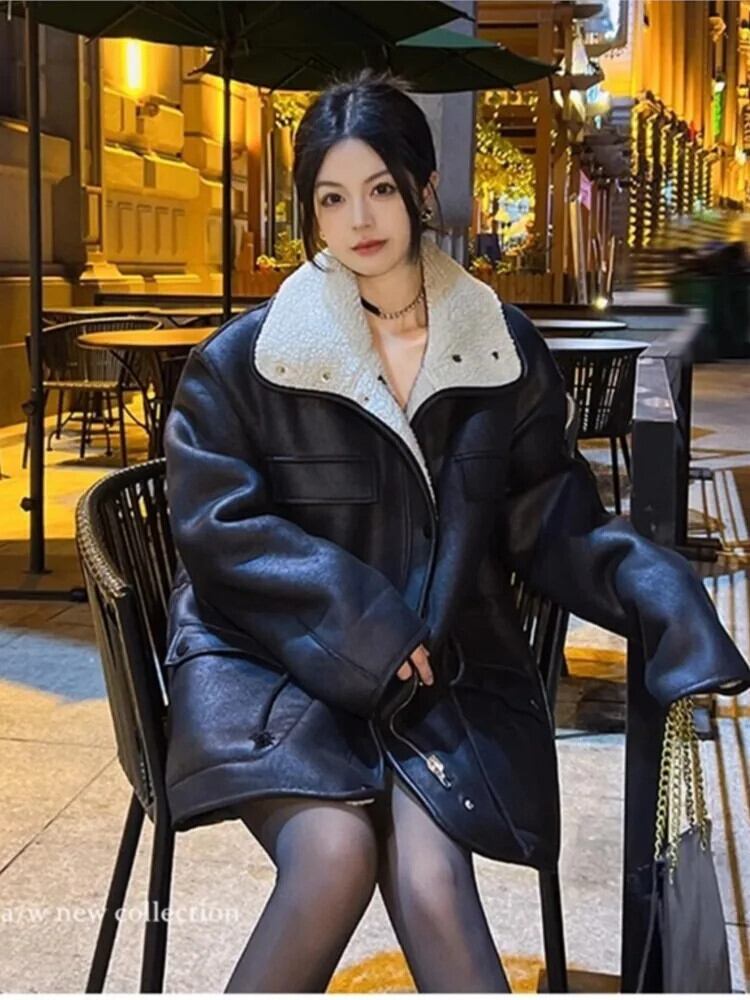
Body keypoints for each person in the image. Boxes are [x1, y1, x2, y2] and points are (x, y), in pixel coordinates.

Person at [161, 69, 750, 994]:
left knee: (432, 877)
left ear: (424, 189)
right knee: (333, 855)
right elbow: (216, 527)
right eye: (332, 197)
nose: (360, 218)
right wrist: (365, 624)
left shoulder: (495, 347)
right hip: (271, 664)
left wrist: (654, 587)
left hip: (434, 671)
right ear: (309, 211)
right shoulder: (248, 360)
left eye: (380, 188)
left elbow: (548, 513)